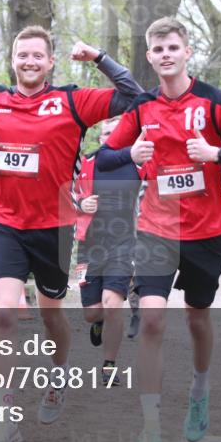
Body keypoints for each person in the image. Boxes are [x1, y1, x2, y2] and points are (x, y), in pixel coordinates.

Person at [0, 26, 143, 442]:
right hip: (5, 224)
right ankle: (5, 419)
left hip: (54, 228)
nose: (30, 62)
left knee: (50, 316)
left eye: (38, 56)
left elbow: (133, 96)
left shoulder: (73, 102)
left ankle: (58, 375)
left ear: (50, 62)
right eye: (23, 55)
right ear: (13, 60)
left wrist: (99, 58)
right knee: (3, 313)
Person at [96, 17, 221, 442]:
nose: (166, 55)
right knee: (152, 320)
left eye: (173, 47)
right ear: (150, 57)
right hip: (156, 229)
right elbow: (105, 158)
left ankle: (200, 387)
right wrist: (129, 153)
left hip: (207, 232)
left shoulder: (214, 102)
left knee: (196, 318)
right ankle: (150, 431)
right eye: (158, 50)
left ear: (187, 51)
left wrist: (217, 153)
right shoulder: (142, 108)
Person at [73, 116, 141, 386]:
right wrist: (81, 202)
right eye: (104, 134)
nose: (108, 138)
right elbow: (65, 194)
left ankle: (109, 365)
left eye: (115, 133)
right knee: (92, 312)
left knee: (114, 305)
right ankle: (97, 322)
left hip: (123, 246)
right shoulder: (87, 163)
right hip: (88, 248)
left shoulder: (138, 165)